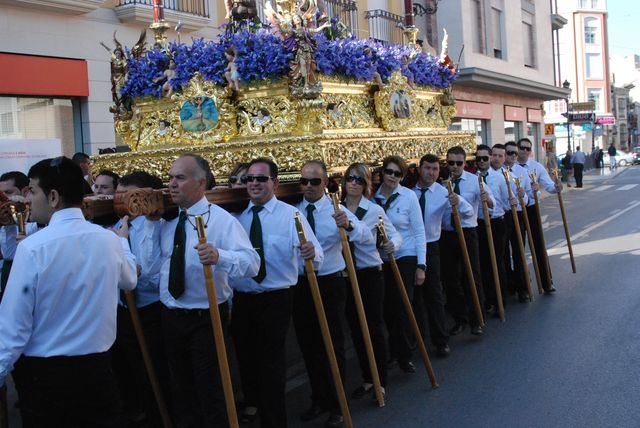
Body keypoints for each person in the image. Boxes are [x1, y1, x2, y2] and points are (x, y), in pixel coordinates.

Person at [0, 156, 137, 426]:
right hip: (98, 372)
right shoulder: (108, 240)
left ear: (53, 197)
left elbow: (14, 326)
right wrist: (123, 244)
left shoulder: (34, 247)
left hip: (47, 379)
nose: (28, 200)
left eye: (33, 191)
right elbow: (129, 280)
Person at [159, 154, 260, 427]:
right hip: (171, 314)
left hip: (206, 316)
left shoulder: (221, 220)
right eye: (170, 177)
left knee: (210, 389)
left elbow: (252, 263)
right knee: (181, 390)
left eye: (180, 178)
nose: (172, 184)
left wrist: (219, 256)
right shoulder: (166, 221)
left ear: (200, 183)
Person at [231, 158, 321, 428]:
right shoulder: (236, 217)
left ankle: (274, 420)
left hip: (276, 297)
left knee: (270, 362)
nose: (255, 184)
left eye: (261, 179)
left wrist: (310, 253)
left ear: (275, 183)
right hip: (243, 298)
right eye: (250, 179)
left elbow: (317, 259)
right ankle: (252, 403)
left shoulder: (290, 216)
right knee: (245, 356)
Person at [294, 160, 373, 428]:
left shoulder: (336, 209)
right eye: (304, 181)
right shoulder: (295, 211)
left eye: (314, 182)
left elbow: (366, 236)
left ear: (325, 183)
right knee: (309, 344)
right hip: (304, 283)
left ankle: (338, 403)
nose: (308, 187)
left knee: (332, 343)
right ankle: (319, 398)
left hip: (331, 282)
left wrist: (349, 226)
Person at [110, 171, 172, 427]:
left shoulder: (161, 226)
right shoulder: (116, 227)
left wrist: (126, 250)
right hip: (125, 309)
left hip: (152, 310)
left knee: (159, 371)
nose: (127, 202)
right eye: (121, 196)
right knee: (136, 371)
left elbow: (150, 275)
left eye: (133, 196)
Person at [340, 163, 401, 400]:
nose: (354, 183)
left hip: (369, 274)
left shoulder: (374, 210)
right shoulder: (336, 209)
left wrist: (391, 244)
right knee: (356, 328)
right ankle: (367, 377)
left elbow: (395, 234)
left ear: (366, 185)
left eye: (359, 180)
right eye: (350, 179)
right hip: (346, 275)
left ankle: (380, 380)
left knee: (373, 326)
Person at [373, 155, 426, 371]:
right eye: (389, 172)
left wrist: (421, 265)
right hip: (382, 258)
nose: (393, 177)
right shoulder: (373, 197)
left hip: (405, 255)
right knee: (387, 308)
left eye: (398, 174)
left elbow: (419, 230)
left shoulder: (409, 197)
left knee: (402, 305)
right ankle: (393, 350)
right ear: (383, 172)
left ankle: (406, 354)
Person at [413, 154, 468, 355]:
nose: (431, 173)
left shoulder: (443, 192)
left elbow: (469, 212)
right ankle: (416, 339)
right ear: (420, 169)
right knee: (414, 297)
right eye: (427, 168)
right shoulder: (409, 193)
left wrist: (458, 202)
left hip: (431, 246)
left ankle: (440, 340)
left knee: (434, 295)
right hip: (409, 249)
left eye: (435, 169)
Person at [440, 146, 493, 336]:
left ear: (464, 163)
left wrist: (488, 199)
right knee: (451, 279)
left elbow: (492, 202)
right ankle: (459, 319)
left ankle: (477, 319)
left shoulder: (474, 180)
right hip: (447, 234)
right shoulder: (441, 183)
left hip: (468, 231)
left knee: (472, 276)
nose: (454, 167)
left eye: (458, 163)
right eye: (450, 163)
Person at [515, 138, 561, 294]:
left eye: (528, 148)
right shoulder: (510, 167)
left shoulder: (536, 167)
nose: (525, 151)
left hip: (532, 208)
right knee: (518, 248)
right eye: (522, 148)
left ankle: (547, 282)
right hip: (516, 211)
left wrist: (557, 187)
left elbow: (549, 186)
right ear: (517, 149)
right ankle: (523, 285)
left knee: (539, 244)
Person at [475, 146, 512, 315]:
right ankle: (488, 300)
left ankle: (500, 299)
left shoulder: (499, 177)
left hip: (497, 223)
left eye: (484, 158)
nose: (482, 161)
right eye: (479, 159)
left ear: (489, 158)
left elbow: (506, 201)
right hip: (479, 224)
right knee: (482, 264)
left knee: (496, 262)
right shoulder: (471, 178)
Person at [503, 142, 533, 302]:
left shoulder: (522, 172)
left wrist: (524, 195)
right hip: (503, 216)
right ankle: (509, 285)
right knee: (503, 253)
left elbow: (528, 198)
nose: (513, 156)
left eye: (515, 153)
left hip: (518, 215)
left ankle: (522, 287)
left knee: (518, 251)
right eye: (509, 153)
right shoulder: (498, 171)